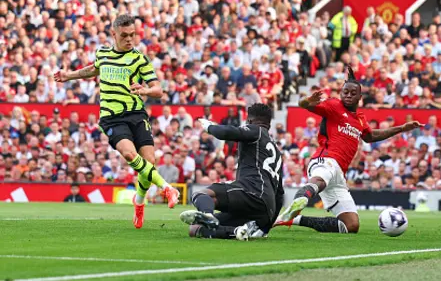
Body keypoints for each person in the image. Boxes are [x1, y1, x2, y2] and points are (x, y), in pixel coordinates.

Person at [54, 14, 179, 229]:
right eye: (125, 35)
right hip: (112, 117)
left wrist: (145, 89)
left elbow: (158, 89)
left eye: (133, 35)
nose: (130, 39)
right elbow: (93, 69)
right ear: (114, 34)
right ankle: (167, 188)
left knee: (149, 162)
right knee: (130, 154)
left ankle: (138, 202)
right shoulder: (102, 53)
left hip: (136, 115)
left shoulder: (139, 58)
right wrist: (68, 76)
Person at [274, 66, 422, 233]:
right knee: (320, 180)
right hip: (326, 159)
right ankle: (301, 199)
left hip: (339, 175)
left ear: (360, 96)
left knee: (351, 226)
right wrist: (307, 101)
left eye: (353, 93)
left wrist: (401, 128)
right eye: (345, 92)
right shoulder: (333, 105)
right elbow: (304, 105)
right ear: (340, 93)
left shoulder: (359, 119)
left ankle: (291, 219)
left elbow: (371, 136)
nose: (348, 95)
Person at [180, 103, 284, 241]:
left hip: (252, 191)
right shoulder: (276, 151)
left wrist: (209, 127)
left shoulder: (256, 131)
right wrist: (266, 226)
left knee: (201, 194)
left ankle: (208, 216)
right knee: (195, 228)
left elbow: (226, 133)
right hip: (265, 210)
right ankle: (236, 231)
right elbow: (280, 194)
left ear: (250, 121)